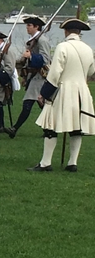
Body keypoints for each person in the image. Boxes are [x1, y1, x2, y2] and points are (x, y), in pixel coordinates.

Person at [29, 18, 95, 172]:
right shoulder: (88, 49)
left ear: (66, 31)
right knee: (77, 128)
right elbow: (91, 72)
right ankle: (72, 163)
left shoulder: (62, 46)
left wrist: (44, 93)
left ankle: (45, 163)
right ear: (79, 32)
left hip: (64, 91)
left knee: (50, 126)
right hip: (82, 92)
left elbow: (55, 73)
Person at [6, 16, 51, 138]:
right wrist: (25, 74)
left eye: (29, 25)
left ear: (36, 27)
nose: (27, 27)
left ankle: (14, 128)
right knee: (42, 105)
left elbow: (46, 59)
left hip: (41, 77)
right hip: (34, 76)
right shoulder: (33, 40)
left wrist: (30, 56)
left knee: (29, 103)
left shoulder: (42, 40)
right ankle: (49, 130)